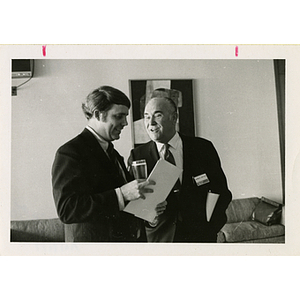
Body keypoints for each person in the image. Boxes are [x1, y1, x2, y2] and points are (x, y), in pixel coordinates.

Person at [52, 85, 166, 242]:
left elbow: (123, 205)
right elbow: (67, 210)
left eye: (125, 116)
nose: (125, 123)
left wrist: (148, 212)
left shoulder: (112, 153)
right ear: (99, 115)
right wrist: (122, 193)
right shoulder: (70, 153)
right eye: (119, 116)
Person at [128, 92, 232, 242]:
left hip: (200, 239)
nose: (150, 123)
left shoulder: (203, 148)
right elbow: (134, 205)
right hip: (160, 240)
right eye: (146, 116)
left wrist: (212, 227)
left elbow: (222, 192)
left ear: (174, 118)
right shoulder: (138, 155)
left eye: (157, 115)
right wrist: (150, 218)